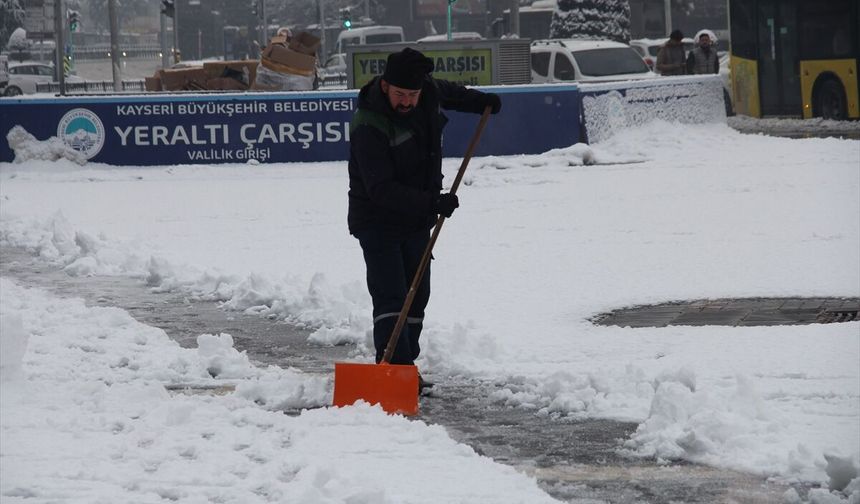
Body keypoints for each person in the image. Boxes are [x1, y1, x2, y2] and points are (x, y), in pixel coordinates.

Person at [347, 47, 501, 379]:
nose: (407, 102)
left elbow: (452, 93)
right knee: (393, 298)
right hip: (376, 220)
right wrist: (432, 203)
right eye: (400, 94)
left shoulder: (426, 92)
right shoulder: (369, 122)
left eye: (413, 94)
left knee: (417, 297)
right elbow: (381, 190)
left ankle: (404, 365)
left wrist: (481, 101)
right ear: (386, 86)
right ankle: (394, 372)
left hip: (415, 220)